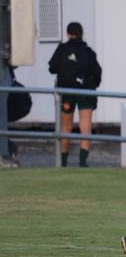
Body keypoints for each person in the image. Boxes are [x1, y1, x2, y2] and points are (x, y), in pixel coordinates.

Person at [48, 22, 102, 167]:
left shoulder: (62, 49)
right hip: (85, 91)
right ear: (81, 34)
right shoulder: (88, 52)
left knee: (66, 127)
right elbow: (97, 72)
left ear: (68, 34)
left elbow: (52, 68)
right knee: (85, 127)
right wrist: (93, 84)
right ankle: (82, 163)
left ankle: (63, 162)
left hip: (66, 92)